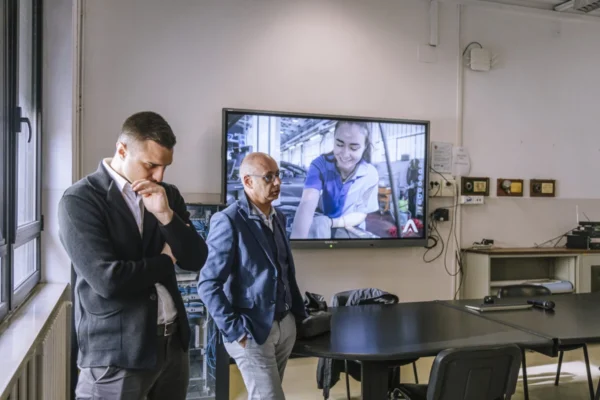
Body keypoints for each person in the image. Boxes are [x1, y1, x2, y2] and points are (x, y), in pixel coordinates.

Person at [58, 111, 208, 400]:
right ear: (122, 150)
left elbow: (195, 259)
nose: (159, 176)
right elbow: (109, 281)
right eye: (151, 165)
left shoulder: (168, 195)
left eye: (165, 167)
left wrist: (166, 216)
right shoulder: (80, 200)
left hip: (172, 344)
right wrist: (166, 260)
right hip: (117, 353)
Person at [198, 152, 307, 400]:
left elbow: (285, 271)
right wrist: (236, 331)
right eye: (269, 177)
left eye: (278, 175)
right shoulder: (228, 220)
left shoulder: (278, 217)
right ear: (248, 181)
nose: (277, 182)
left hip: (284, 325)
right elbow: (207, 284)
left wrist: (295, 318)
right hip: (251, 331)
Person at [290, 120, 379, 239]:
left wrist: (331, 222)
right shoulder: (320, 165)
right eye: (339, 144)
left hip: (352, 228)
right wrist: (297, 243)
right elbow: (307, 203)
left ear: (365, 147)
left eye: (354, 148)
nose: (345, 154)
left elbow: (361, 213)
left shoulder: (370, 174)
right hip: (323, 225)